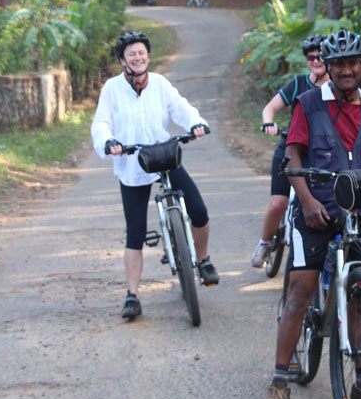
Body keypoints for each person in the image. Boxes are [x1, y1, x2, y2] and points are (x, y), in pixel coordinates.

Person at [264, 28, 361, 399]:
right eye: (339, 64)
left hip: (356, 216)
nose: (346, 70)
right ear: (327, 67)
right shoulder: (309, 104)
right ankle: (279, 383)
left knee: (360, 298)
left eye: (353, 63)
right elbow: (292, 157)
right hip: (316, 212)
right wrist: (308, 202)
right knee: (299, 292)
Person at [91, 30, 219, 321]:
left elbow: (181, 108)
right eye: (131, 53)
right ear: (122, 60)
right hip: (132, 164)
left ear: (148, 56)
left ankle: (203, 261)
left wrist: (196, 122)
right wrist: (109, 142)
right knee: (134, 233)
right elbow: (101, 122)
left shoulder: (159, 83)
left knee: (199, 210)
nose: (138, 57)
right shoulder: (112, 89)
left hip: (163, 157)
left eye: (142, 52)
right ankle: (132, 295)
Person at [250, 34, 329, 267]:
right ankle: (265, 243)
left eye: (320, 56)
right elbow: (271, 108)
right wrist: (268, 123)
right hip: (290, 149)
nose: (315, 61)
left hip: (318, 154)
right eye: (310, 57)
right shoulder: (298, 83)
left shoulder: (336, 88)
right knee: (277, 204)